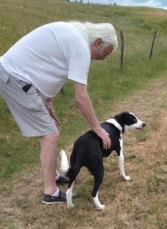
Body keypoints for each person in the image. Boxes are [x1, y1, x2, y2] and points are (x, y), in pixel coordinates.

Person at [0, 21, 118, 204]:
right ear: (98, 42)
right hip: (15, 77)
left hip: (16, 75)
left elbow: (50, 65)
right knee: (50, 135)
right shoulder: (81, 48)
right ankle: (50, 193)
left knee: (49, 133)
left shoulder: (77, 35)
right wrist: (98, 129)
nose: (103, 59)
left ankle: (53, 176)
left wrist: (47, 101)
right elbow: (81, 97)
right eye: (104, 53)